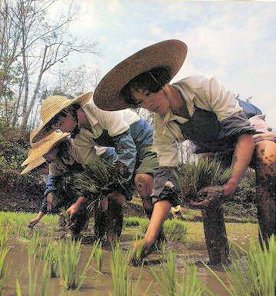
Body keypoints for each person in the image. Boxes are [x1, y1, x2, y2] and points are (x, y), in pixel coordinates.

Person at [93, 39, 276, 264]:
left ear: (161, 83)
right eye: (140, 102)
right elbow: (165, 182)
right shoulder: (162, 126)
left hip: (245, 130)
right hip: (215, 148)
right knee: (205, 187)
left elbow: (243, 136)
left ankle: (270, 252)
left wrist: (230, 185)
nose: (148, 104)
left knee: (269, 155)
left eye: (149, 94)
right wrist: (149, 238)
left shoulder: (202, 87)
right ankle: (218, 261)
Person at [31, 92, 160, 243]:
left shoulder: (100, 108)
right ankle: (112, 244)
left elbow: (127, 148)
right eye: (57, 129)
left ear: (70, 111)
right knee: (114, 196)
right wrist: (89, 196)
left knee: (143, 182)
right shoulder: (78, 139)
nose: (62, 131)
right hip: (122, 152)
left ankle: (157, 239)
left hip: (144, 141)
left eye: (60, 125)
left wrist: (115, 179)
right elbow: (94, 170)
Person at [22, 130, 90, 239]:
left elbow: (91, 177)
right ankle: (73, 228)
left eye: (45, 154)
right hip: (80, 185)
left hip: (99, 175)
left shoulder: (77, 147)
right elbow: (52, 187)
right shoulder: (54, 163)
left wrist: (78, 203)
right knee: (60, 192)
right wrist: (49, 193)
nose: (44, 158)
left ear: (54, 147)